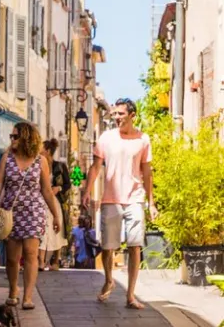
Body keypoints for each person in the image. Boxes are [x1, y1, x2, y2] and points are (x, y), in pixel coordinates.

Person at [81, 98, 156, 310]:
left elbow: (147, 172)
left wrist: (151, 202)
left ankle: (130, 295)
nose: (116, 117)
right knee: (108, 247)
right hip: (110, 198)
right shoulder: (106, 138)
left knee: (135, 245)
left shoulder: (143, 139)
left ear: (132, 115)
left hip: (135, 198)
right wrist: (87, 190)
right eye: (114, 114)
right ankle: (109, 280)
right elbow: (95, 167)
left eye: (121, 114)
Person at [0, 122, 62, 311]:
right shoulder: (7, 158)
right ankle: (13, 290)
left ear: (26, 138)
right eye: (11, 136)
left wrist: (55, 215)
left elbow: (46, 190)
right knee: (12, 258)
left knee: (31, 253)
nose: (12, 139)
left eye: (15, 136)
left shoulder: (40, 161)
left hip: (33, 211)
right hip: (11, 212)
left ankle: (28, 296)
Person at [39, 138, 71, 271]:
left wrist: (59, 188)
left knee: (57, 230)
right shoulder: (38, 165)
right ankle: (41, 261)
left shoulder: (60, 166)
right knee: (43, 228)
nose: (39, 152)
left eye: (41, 149)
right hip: (42, 200)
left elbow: (68, 184)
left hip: (56, 201)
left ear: (47, 151)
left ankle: (56, 260)